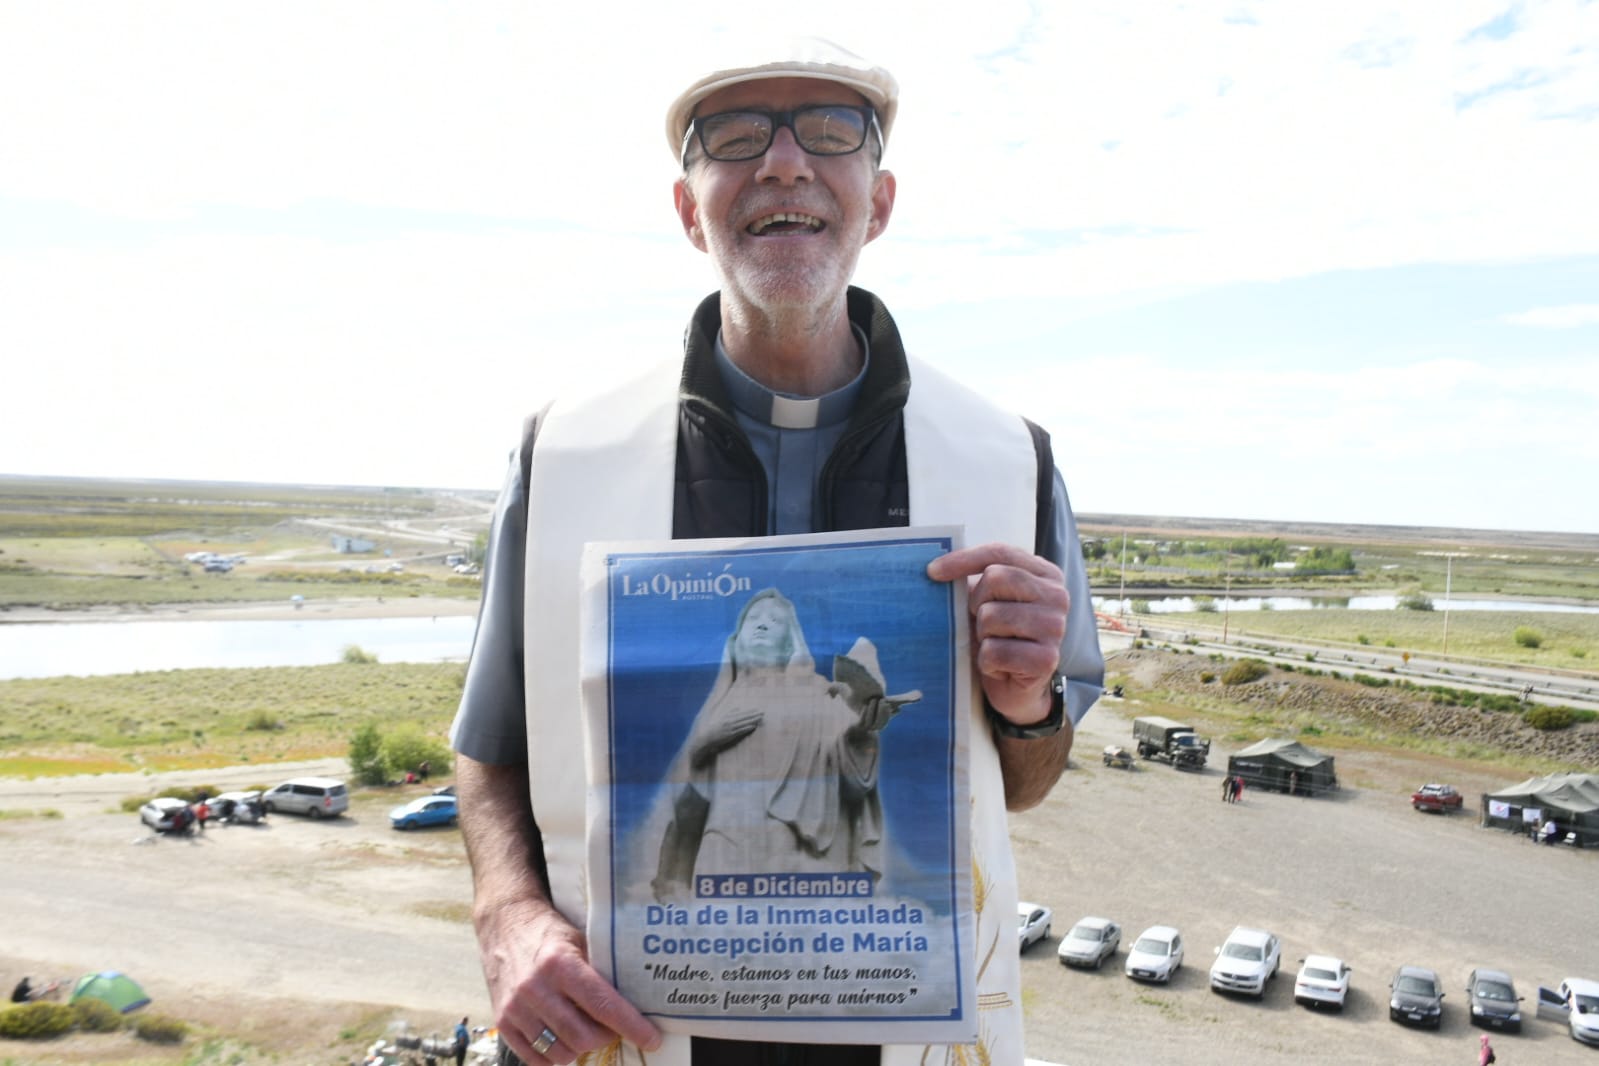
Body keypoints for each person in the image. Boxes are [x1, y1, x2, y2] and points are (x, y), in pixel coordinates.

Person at [449, 37, 1104, 1066]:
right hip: (643, 1031)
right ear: (687, 208)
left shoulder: (1006, 460)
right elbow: (490, 749)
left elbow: (1021, 781)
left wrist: (1025, 703)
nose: (785, 164)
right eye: (736, 136)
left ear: (879, 201)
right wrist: (507, 911)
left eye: (831, 132)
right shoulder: (565, 451)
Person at [650, 590, 901, 899]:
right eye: (752, 619)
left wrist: (862, 733)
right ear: (737, 639)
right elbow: (681, 808)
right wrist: (703, 745)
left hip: (800, 849)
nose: (762, 625)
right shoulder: (719, 704)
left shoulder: (819, 695)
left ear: (790, 641)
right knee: (722, 938)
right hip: (727, 842)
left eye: (775, 620)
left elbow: (853, 781)